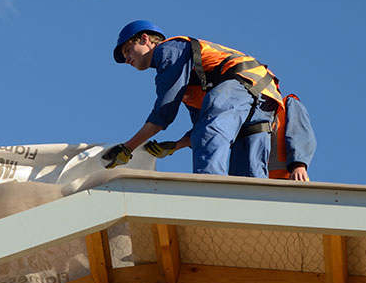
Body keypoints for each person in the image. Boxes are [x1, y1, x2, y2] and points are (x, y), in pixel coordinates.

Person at [102, 20, 314, 180]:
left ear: (146, 39)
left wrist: (128, 148)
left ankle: (209, 192)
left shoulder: (169, 51)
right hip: (262, 101)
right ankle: (251, 217)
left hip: (240, 86)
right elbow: (200, 126)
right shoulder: (191, 83)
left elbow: (164, 114)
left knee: (211, 134)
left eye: (128, 50)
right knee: (247, 175)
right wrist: (175, 145)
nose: (127, 59)